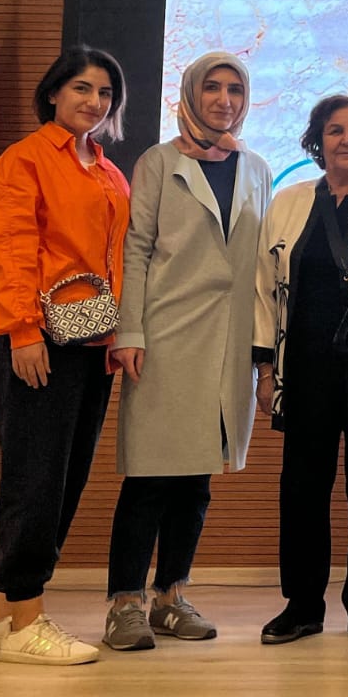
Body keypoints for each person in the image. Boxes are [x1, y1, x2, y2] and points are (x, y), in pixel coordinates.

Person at [106, 51, 272, 651]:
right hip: (166, 333)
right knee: (150, 475)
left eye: (234, 89)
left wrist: (265, 349)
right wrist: (130, 331)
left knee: (197, 479)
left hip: (227, 339)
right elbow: (137, 248)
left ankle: (170, 596)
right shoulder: (158, 161)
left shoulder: (254, 166)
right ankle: (124, 602)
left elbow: (259, 263)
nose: (223, 99)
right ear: (190, 93)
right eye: (212, 88)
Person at [0, 48, 131, 665]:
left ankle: (2, 614)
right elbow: (10, 248)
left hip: (89, 345)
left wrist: (116, 335)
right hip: (38, 341)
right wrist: (22, 332)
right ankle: (26, 622)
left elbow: (116, 259)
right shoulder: (25, 162)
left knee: (61, 482)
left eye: (104, 93)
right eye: (80, 89)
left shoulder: (110, 172)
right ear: (52, 95)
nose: (93, 102)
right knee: (35, 481)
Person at [253, 95, 348, 645]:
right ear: (317, 141)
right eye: (335, 130)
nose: (347, 140)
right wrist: (266, 370)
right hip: (306, 368)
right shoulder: (289, 203)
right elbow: (263, 292)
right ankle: (302, 603)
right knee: (303, 488)